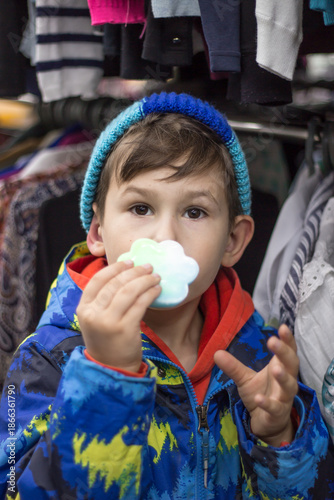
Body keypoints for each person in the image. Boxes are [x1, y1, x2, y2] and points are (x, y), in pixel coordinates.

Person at [0, 92, 333, 499]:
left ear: (233, 240)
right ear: (98, 232)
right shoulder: (47, 358)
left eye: (194, 212)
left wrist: (283, 436)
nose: (165, 237)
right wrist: (106, 378)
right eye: (141, 208)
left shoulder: (260, 355)